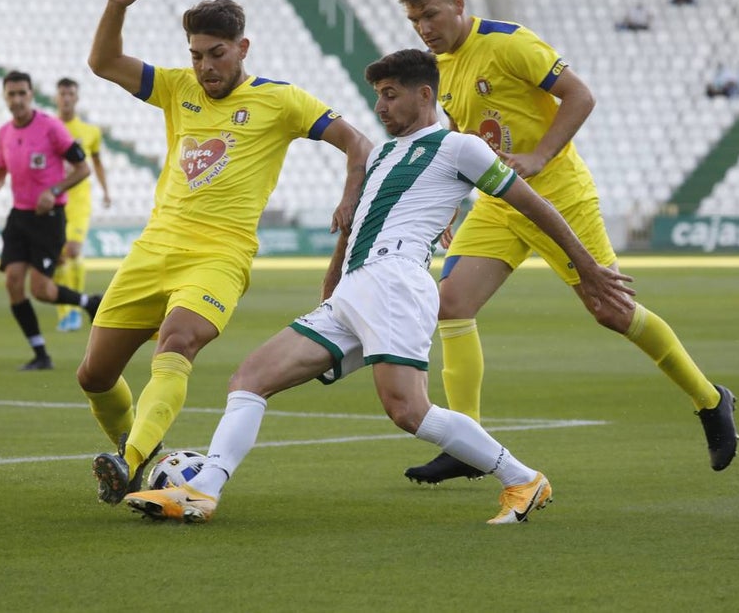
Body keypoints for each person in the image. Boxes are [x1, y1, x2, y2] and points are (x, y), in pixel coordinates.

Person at [122, 49, 637, 525]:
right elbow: (358, 223)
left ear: (425, 95)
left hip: (396, 284)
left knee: (408, 411)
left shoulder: (460, 147)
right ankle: (203, 491)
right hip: (353, 291)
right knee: (248, 378)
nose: (380, 105)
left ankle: (523, 480)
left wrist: (588, 268)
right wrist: (331, 281)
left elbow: (534, 204)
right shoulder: (384, 154)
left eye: (390, 94)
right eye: (377, 95)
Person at [394, 0, 738, 485]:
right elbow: (463, 136)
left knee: (612, 311)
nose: (424, 27)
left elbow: (581, 95)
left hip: (559, 196)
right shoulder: (440, 67)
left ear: (459, 4)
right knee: (452, 304)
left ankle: (710, 399)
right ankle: (469, 443)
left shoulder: (509, 43)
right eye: (415, 18)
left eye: (431, 14)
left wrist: (540, 155)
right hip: (498, 202)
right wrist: (453, 205)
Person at [81, 0, 373, 506]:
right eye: (196, 54)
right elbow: (102, 63)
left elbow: (357, 142)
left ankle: (130, 460)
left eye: (216, 53)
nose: (204, 66)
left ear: (243, 47)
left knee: (178, 342)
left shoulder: (281, 101)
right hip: (153, 248)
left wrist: (349, 197)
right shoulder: (175, 87)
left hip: (220, 254)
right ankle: (139, 446)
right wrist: (117, 4)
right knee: (94, 376)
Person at [0, 70, 106, 371]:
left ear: (31, 94)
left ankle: (90, 303)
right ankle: (40, 353)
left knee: (42, 291)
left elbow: (82, 169)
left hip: (49, 218)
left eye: (22, 93)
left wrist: (55, 190)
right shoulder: (5, 132)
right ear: (5, 97)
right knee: (13, 282)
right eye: (11, 94)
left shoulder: (51, 128)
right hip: (19, 216)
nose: (17, 99)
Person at [51, 77, 112, 333]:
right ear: (57, 97)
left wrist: (106, 190)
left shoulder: (90, 131)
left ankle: (75, 310)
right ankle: (65, 311)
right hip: (53, 200)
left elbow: (96, 162)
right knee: (57, 259)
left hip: (78, 201)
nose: (66, 98)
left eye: (70, 94)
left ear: (76, 98)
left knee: (73, 250)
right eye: (62, 94)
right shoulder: (48, 127)